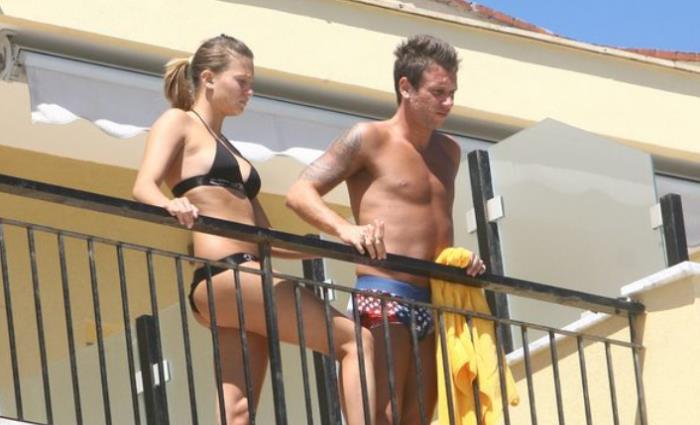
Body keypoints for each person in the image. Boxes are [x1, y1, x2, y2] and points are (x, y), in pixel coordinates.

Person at [132, 34, 375, 425]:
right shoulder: (179, 121)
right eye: (241, 81)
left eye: (251, 83)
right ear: (208, 78)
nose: (250, 91)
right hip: (228, 273)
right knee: (355, 341)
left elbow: (268, 240)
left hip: (240, 280)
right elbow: (144, 185)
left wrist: (338, 244)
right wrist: (169, 203)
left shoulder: (227, 144)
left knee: (238, 410)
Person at [286, 34, 486, 425]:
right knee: (384, 413)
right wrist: (346, 229)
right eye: (438, 92)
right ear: (406, 87)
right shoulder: (369, 137)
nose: (448, 103)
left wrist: (461, 261)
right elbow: (299, 192)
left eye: (452, 93)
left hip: (434, 298)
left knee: (419, 417)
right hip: (384, 290)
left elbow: (434, 222)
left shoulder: (449, 151)